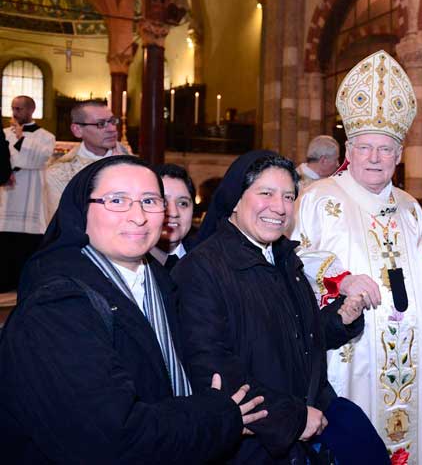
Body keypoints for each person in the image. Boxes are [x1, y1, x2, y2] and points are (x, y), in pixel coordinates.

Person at [0, 155, 267, 463]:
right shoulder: (56, 305)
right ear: (82, 209)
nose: (138, 216)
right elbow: (112, 437)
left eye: (150, 201)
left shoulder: (160, 283)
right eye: (117, 200)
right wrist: (218, 416)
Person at [292, 49, 422, 464]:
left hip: (412, 355)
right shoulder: (317, 198)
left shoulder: (411, 206)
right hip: (354, 352)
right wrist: (341, 279)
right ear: (349, 150)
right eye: (365, 148)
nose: (375, 158)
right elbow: (294, 261)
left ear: (398, 156)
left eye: (386, 149)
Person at [176, 150, 387, 464]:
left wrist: (339, 319)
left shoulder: (284, 258)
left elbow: (296, 337)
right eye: (266, 193)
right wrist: (292, 418)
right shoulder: (201, 269)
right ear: (235, 199)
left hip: (307, 423)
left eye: (288, 196)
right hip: (254, 444)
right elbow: (211, 367)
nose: (279, 207)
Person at [0, 95, 55, 292]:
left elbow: (38, 159)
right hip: (7, 192)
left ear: (31, 110)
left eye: (19, 109)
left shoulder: (46, 136)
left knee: (28, 239)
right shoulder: (4, 133)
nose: (14, 113)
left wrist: (21, 138)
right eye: (13, 108)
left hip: (31, 192)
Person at [45, 101, 129, 221]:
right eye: (101, 124)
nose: (112, 129)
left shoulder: (133, 164)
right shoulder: (59, 174)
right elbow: (63, 222)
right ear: (77, 130)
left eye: (112, 121)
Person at [150, 163, 195, 270]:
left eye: (183, 203)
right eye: (163, 202)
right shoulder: (127, 263)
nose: (173, 213)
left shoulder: (209, 261)